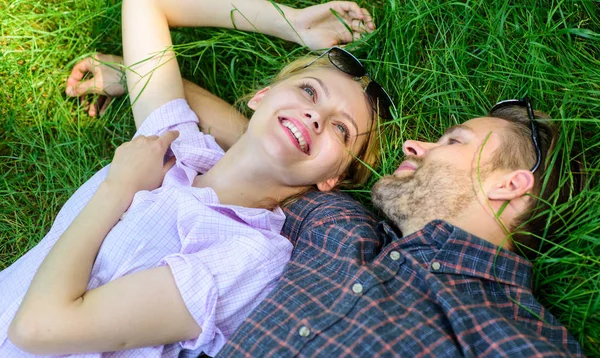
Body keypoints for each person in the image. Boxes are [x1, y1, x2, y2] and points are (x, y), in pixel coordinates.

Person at [1, 1, 392, 357]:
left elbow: (39, 329)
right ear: (262, 96)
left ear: (333, 180)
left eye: (341, 130)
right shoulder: (177, 147)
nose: (315, 117)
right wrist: (291, 22)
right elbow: (146, 5)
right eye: (309, 91)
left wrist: (117, 189)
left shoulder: (253, 255)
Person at [215, 99, 585, 357]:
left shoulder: (513, 336)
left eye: (453, 141)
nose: (411, 145)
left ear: (508, 185)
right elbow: (261, 150)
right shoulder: (339, 227)